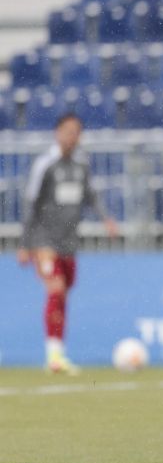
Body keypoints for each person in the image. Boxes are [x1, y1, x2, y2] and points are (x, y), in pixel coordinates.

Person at [17, 113, 118, 374]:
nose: (72, 136)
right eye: (67, 131)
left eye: (76, 132)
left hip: (69, 242)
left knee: (63, 295)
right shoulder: (45, 164)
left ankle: (57, 353)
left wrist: (106, 219)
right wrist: (26, 243)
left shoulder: (81, 165)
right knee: (56, 289)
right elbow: (31, 202)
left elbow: (91, 195)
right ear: (57, 133)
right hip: (44, 240)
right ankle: (53, 356)